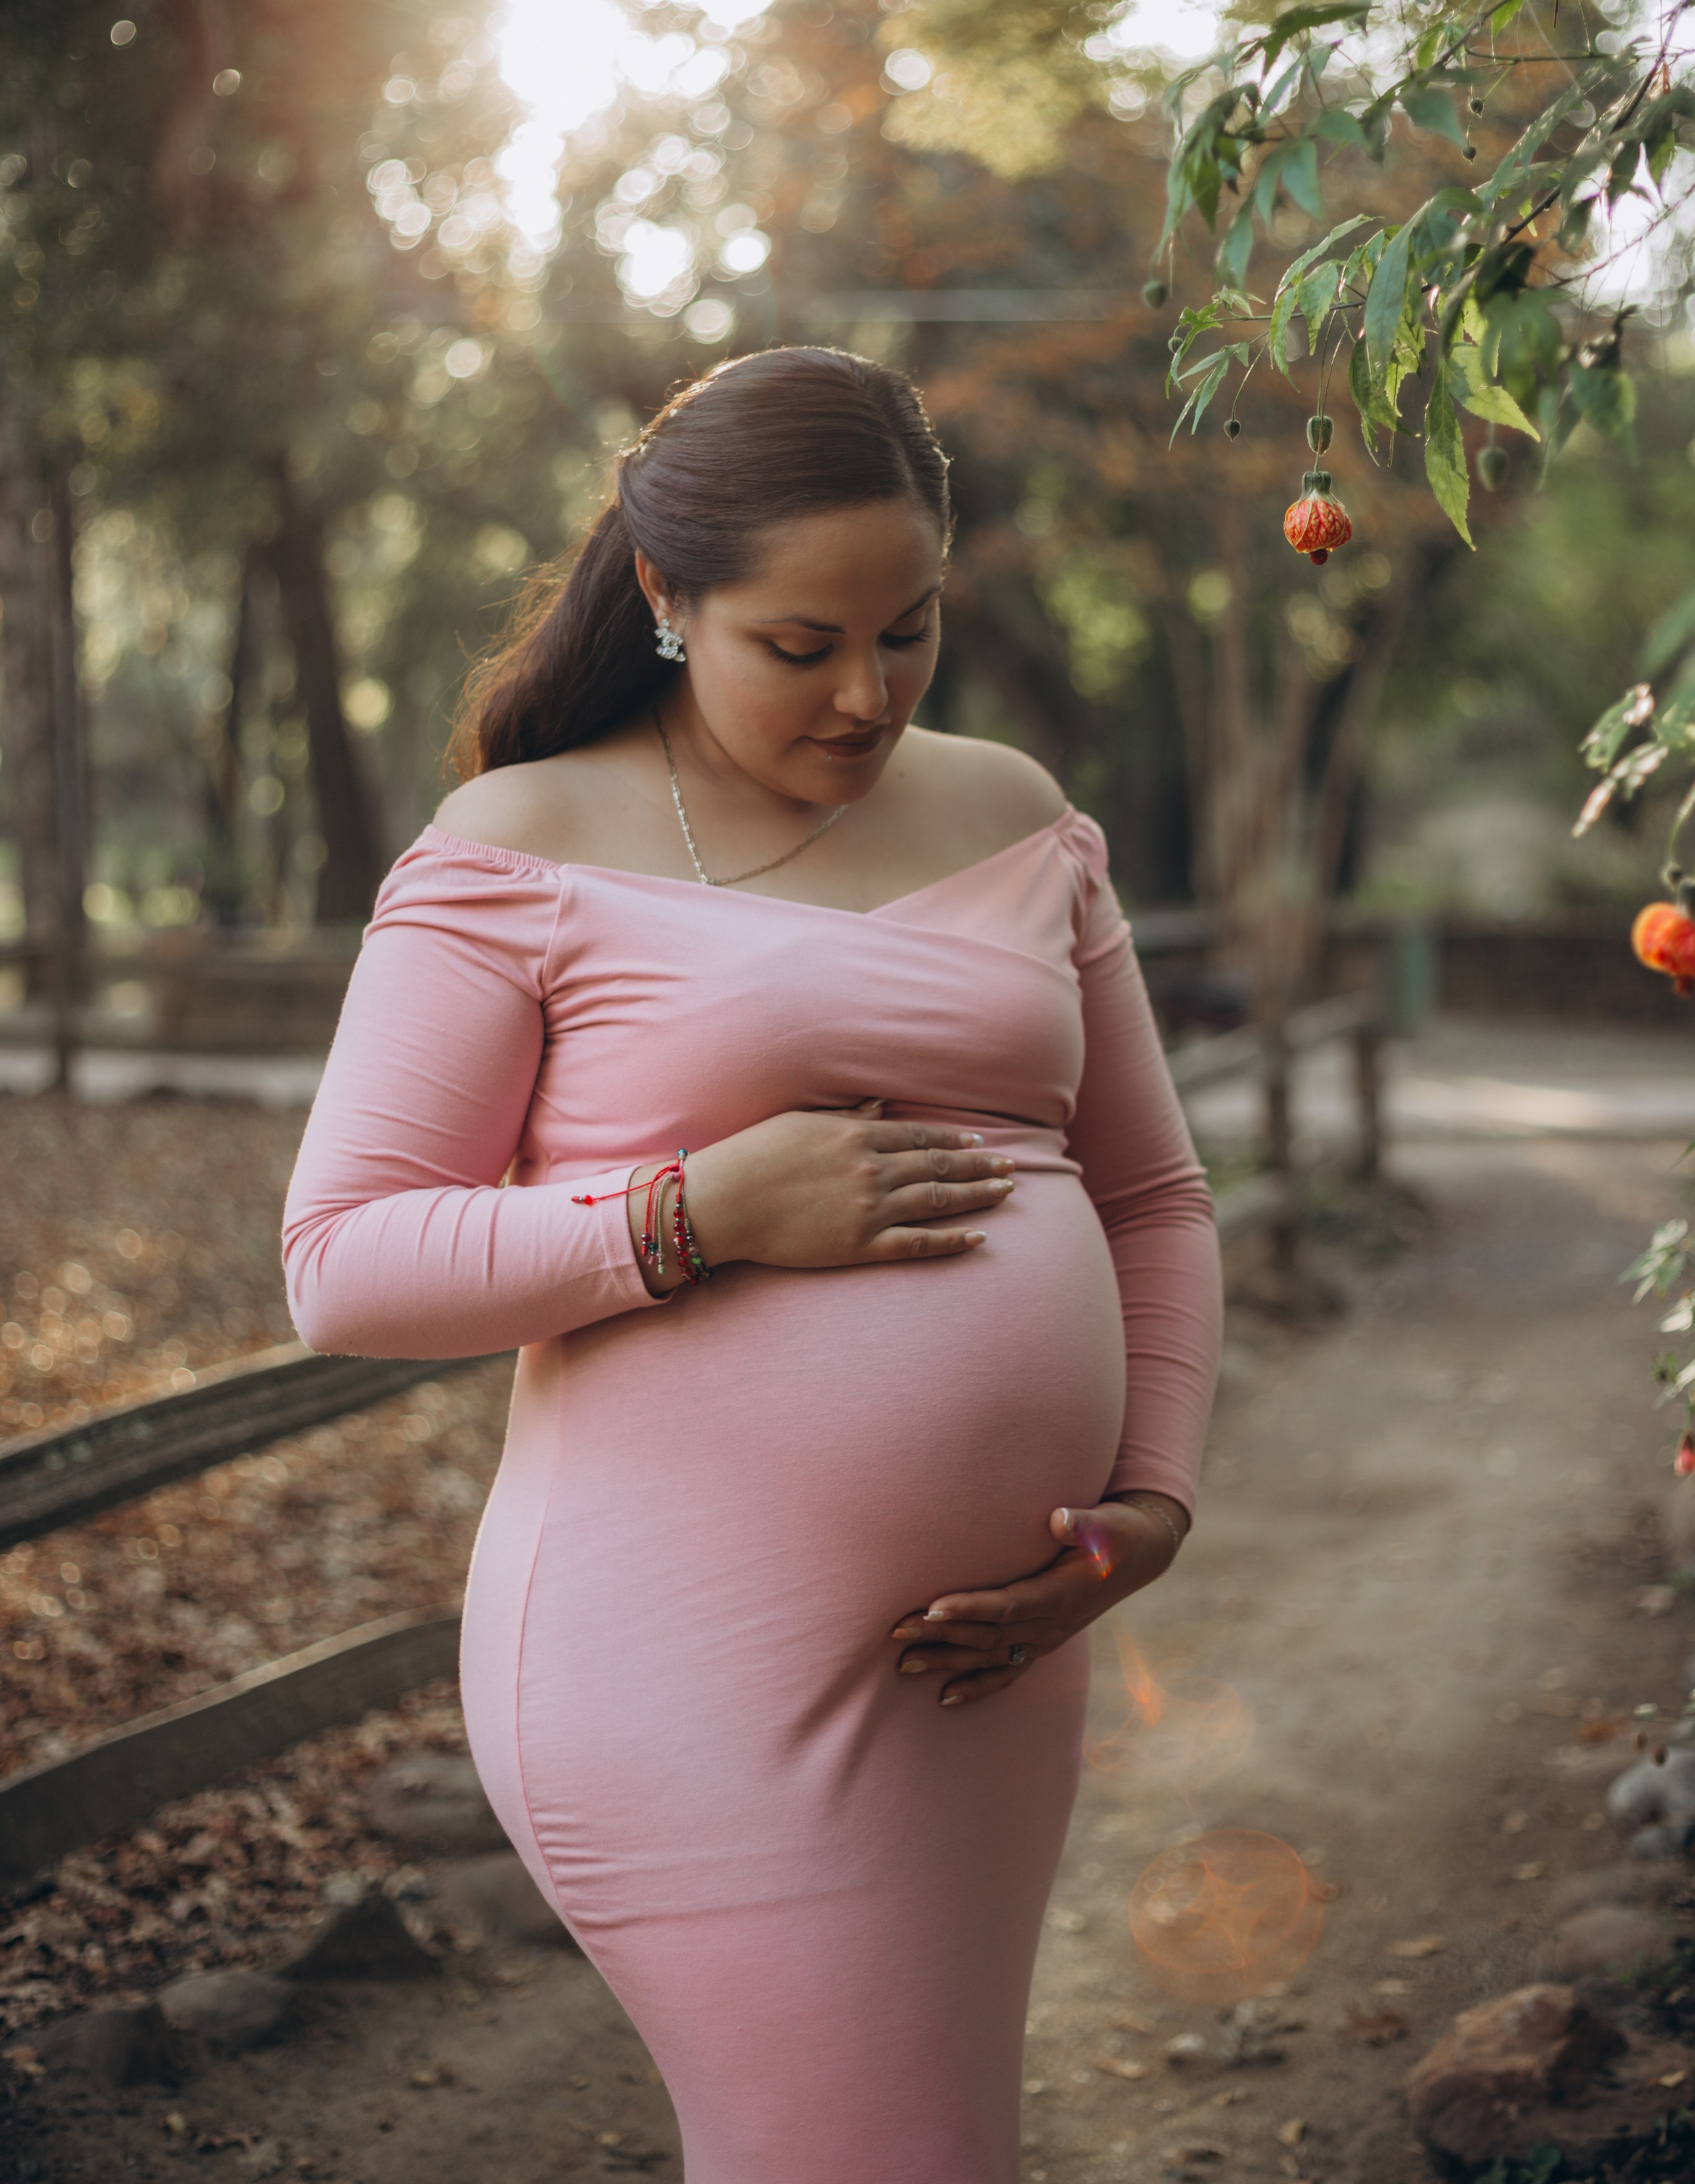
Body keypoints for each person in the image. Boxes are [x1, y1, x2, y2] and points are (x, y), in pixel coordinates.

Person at [281, 345, 1222, 2184]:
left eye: (912, 630)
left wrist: (1152, 1505)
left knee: (934, 2144)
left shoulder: (1021, 812)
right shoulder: (522, 847)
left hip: (994, 1657)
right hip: (684, 1657)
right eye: (803, 645)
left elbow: (1151, 1199)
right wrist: (692, 1215)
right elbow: (344, 1260)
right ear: (664, 598)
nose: (867, 696)